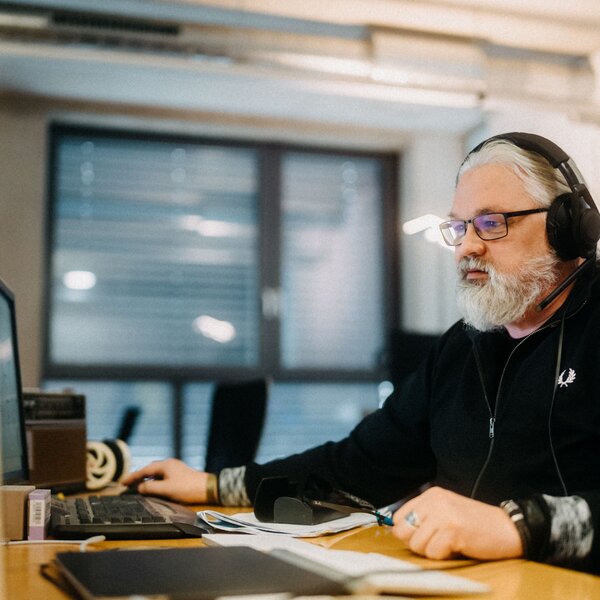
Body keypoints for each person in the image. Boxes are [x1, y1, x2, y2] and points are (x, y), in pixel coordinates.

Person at [123, 132, 600, 573]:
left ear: (566, 227)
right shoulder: (463, 347)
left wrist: (517, 526)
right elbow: (357, 465)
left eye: (491, 223)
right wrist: (212, 485)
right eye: (459, 227)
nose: (466, 248)